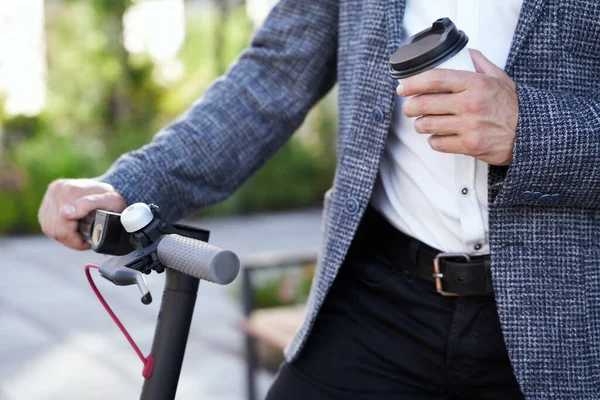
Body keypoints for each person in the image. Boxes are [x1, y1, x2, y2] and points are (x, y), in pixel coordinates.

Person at [38, 0, 600, 398]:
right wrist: (130, 189)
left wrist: (534, 130)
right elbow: (270, 80)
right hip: (379, 302)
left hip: (573, 319)